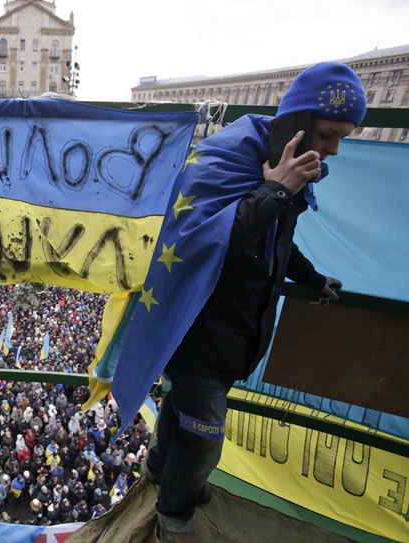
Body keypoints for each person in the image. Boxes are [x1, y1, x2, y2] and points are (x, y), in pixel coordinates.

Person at [143, 61, 365, 542]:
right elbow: (208, 241)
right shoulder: (229, 159)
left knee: (181, 409)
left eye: (342, 138)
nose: (334, 149)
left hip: (236, 334)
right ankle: (173, 516)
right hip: (198, 330)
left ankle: (162, 471)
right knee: (204, 439)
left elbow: (276, 244)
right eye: (328, 134)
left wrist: (312, 278)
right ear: (296, 123)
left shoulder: (286, 175)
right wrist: (276, 189)